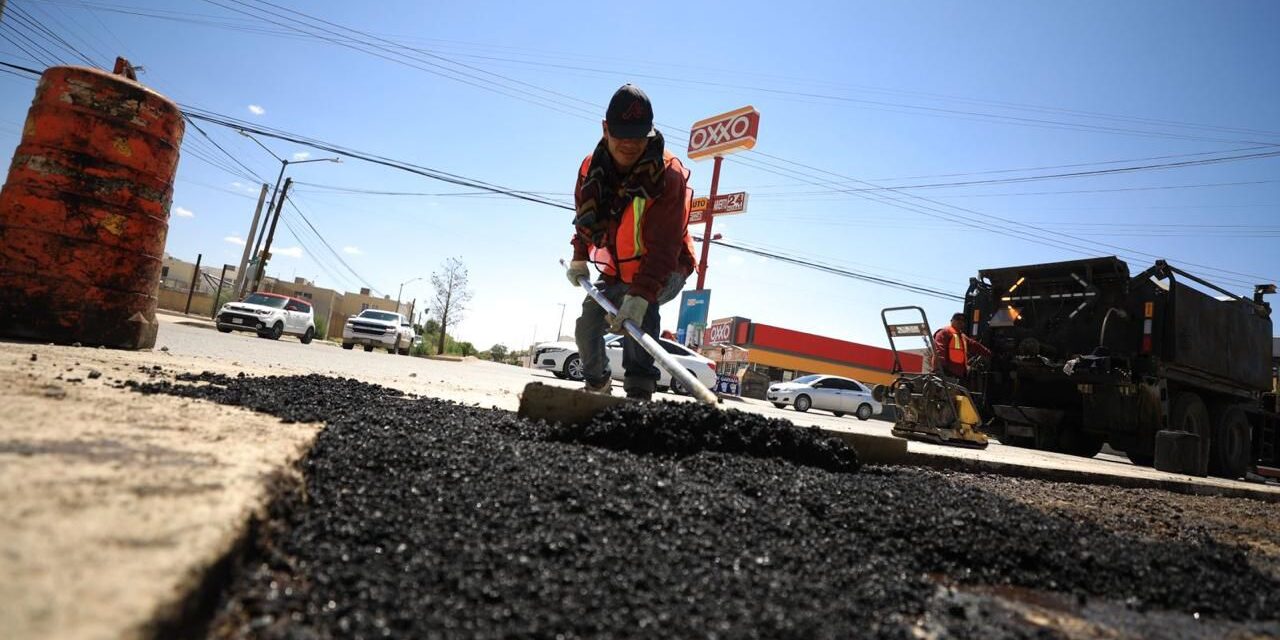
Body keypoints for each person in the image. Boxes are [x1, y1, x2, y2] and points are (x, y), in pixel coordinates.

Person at [566, 84, 697, 401]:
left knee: (639, 312)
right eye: (621, 134)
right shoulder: (590, 169)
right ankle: (597, 383)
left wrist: (640, 296)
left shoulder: (668, 175)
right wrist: (579, 256)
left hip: (666, 267)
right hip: (618, 269)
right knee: (587, 325)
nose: (629, 144)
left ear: (650, 133)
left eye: (638, 136)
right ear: (605, 128)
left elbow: (664, 248)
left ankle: (639, 391)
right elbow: (585, 219)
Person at [932, 312, 991, 379]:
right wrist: (939, 368)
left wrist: (988, 353)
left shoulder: (962, 337)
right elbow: (939, 349)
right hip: (946, 371)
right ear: (951, 321)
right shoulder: (944, 332)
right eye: (957, 319)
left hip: (958, 373)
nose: (960, 321)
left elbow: (974, 345)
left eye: (963, 320)